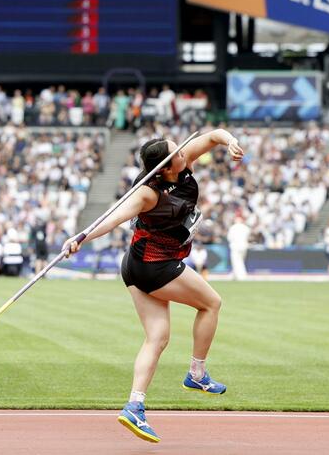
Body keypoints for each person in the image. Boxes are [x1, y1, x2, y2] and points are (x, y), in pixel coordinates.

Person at [64, 129, 244, 443]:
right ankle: (197, 374)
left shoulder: (183, 166)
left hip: (138, 264)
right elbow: (113, 217)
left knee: (157, 338)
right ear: (164, 167)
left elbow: (213, 135)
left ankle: (134, 405)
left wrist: (229, 142)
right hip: (153, 266)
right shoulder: (147, 193)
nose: (185, 151)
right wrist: (81, 238)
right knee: (211, 303)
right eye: (178, 152)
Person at [227, 213, 251, 280]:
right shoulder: (246, 227)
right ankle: (234, 275)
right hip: (244, 246)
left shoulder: (233, 227)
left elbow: (229, 238)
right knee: (240, 261)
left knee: (237, 261)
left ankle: (241, 276)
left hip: (235, 246)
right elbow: (248, 236)